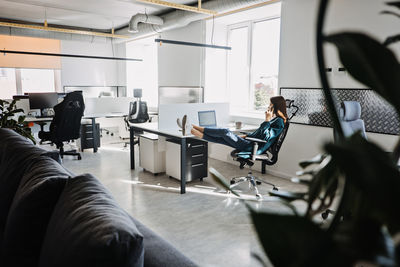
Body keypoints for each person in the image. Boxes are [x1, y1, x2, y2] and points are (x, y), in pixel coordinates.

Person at [191, 96, 288, 156]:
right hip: (249, 142)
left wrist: (267, 120)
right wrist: (246, 136)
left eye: (270, 105)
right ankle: (197, 133)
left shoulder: (279, 121)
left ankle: (198, 128)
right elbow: (259, 134)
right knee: (222, 139)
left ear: (276, 107)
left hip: (252, 146)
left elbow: (265, 137)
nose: (268, 106)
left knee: (224, 132)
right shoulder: (275, 120)